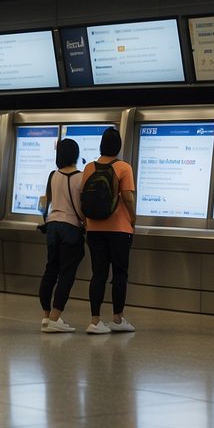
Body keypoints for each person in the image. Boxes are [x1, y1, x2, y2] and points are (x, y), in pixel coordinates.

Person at [82, 128, 137, 334]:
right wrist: (133, 217)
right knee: (120, 273)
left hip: (94, 229)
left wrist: (86, 222)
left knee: (98, 274)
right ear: (118, 146)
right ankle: (117, 318)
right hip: (119, 229)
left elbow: (82, 197)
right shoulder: (123, 167)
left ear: (101, 145)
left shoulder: (89, 168)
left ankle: (95, 320)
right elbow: (128, 197)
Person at [37, 138, 85, 333]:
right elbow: (81, 208)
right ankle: (56, 318)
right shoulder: (81, 177)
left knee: (51, 270)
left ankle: (46, 316)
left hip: (53, 226)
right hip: (70, 227)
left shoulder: (53, 175)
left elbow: (45, 202)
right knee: (66, 273)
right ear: (75, 154)